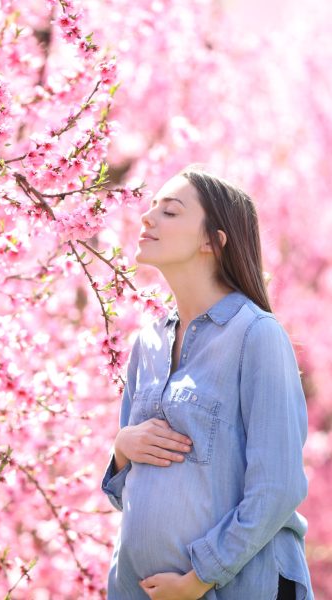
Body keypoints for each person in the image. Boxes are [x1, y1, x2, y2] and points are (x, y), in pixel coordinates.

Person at [101, 167, 314, 600]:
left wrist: (200, 578)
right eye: (151, 206)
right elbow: (127, 496)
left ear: (212, 241)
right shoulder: (147, 343)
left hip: (235, 588)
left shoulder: (256, 335)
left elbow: (278, 486)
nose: (147, 217)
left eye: (170, 211)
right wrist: (123, 448)